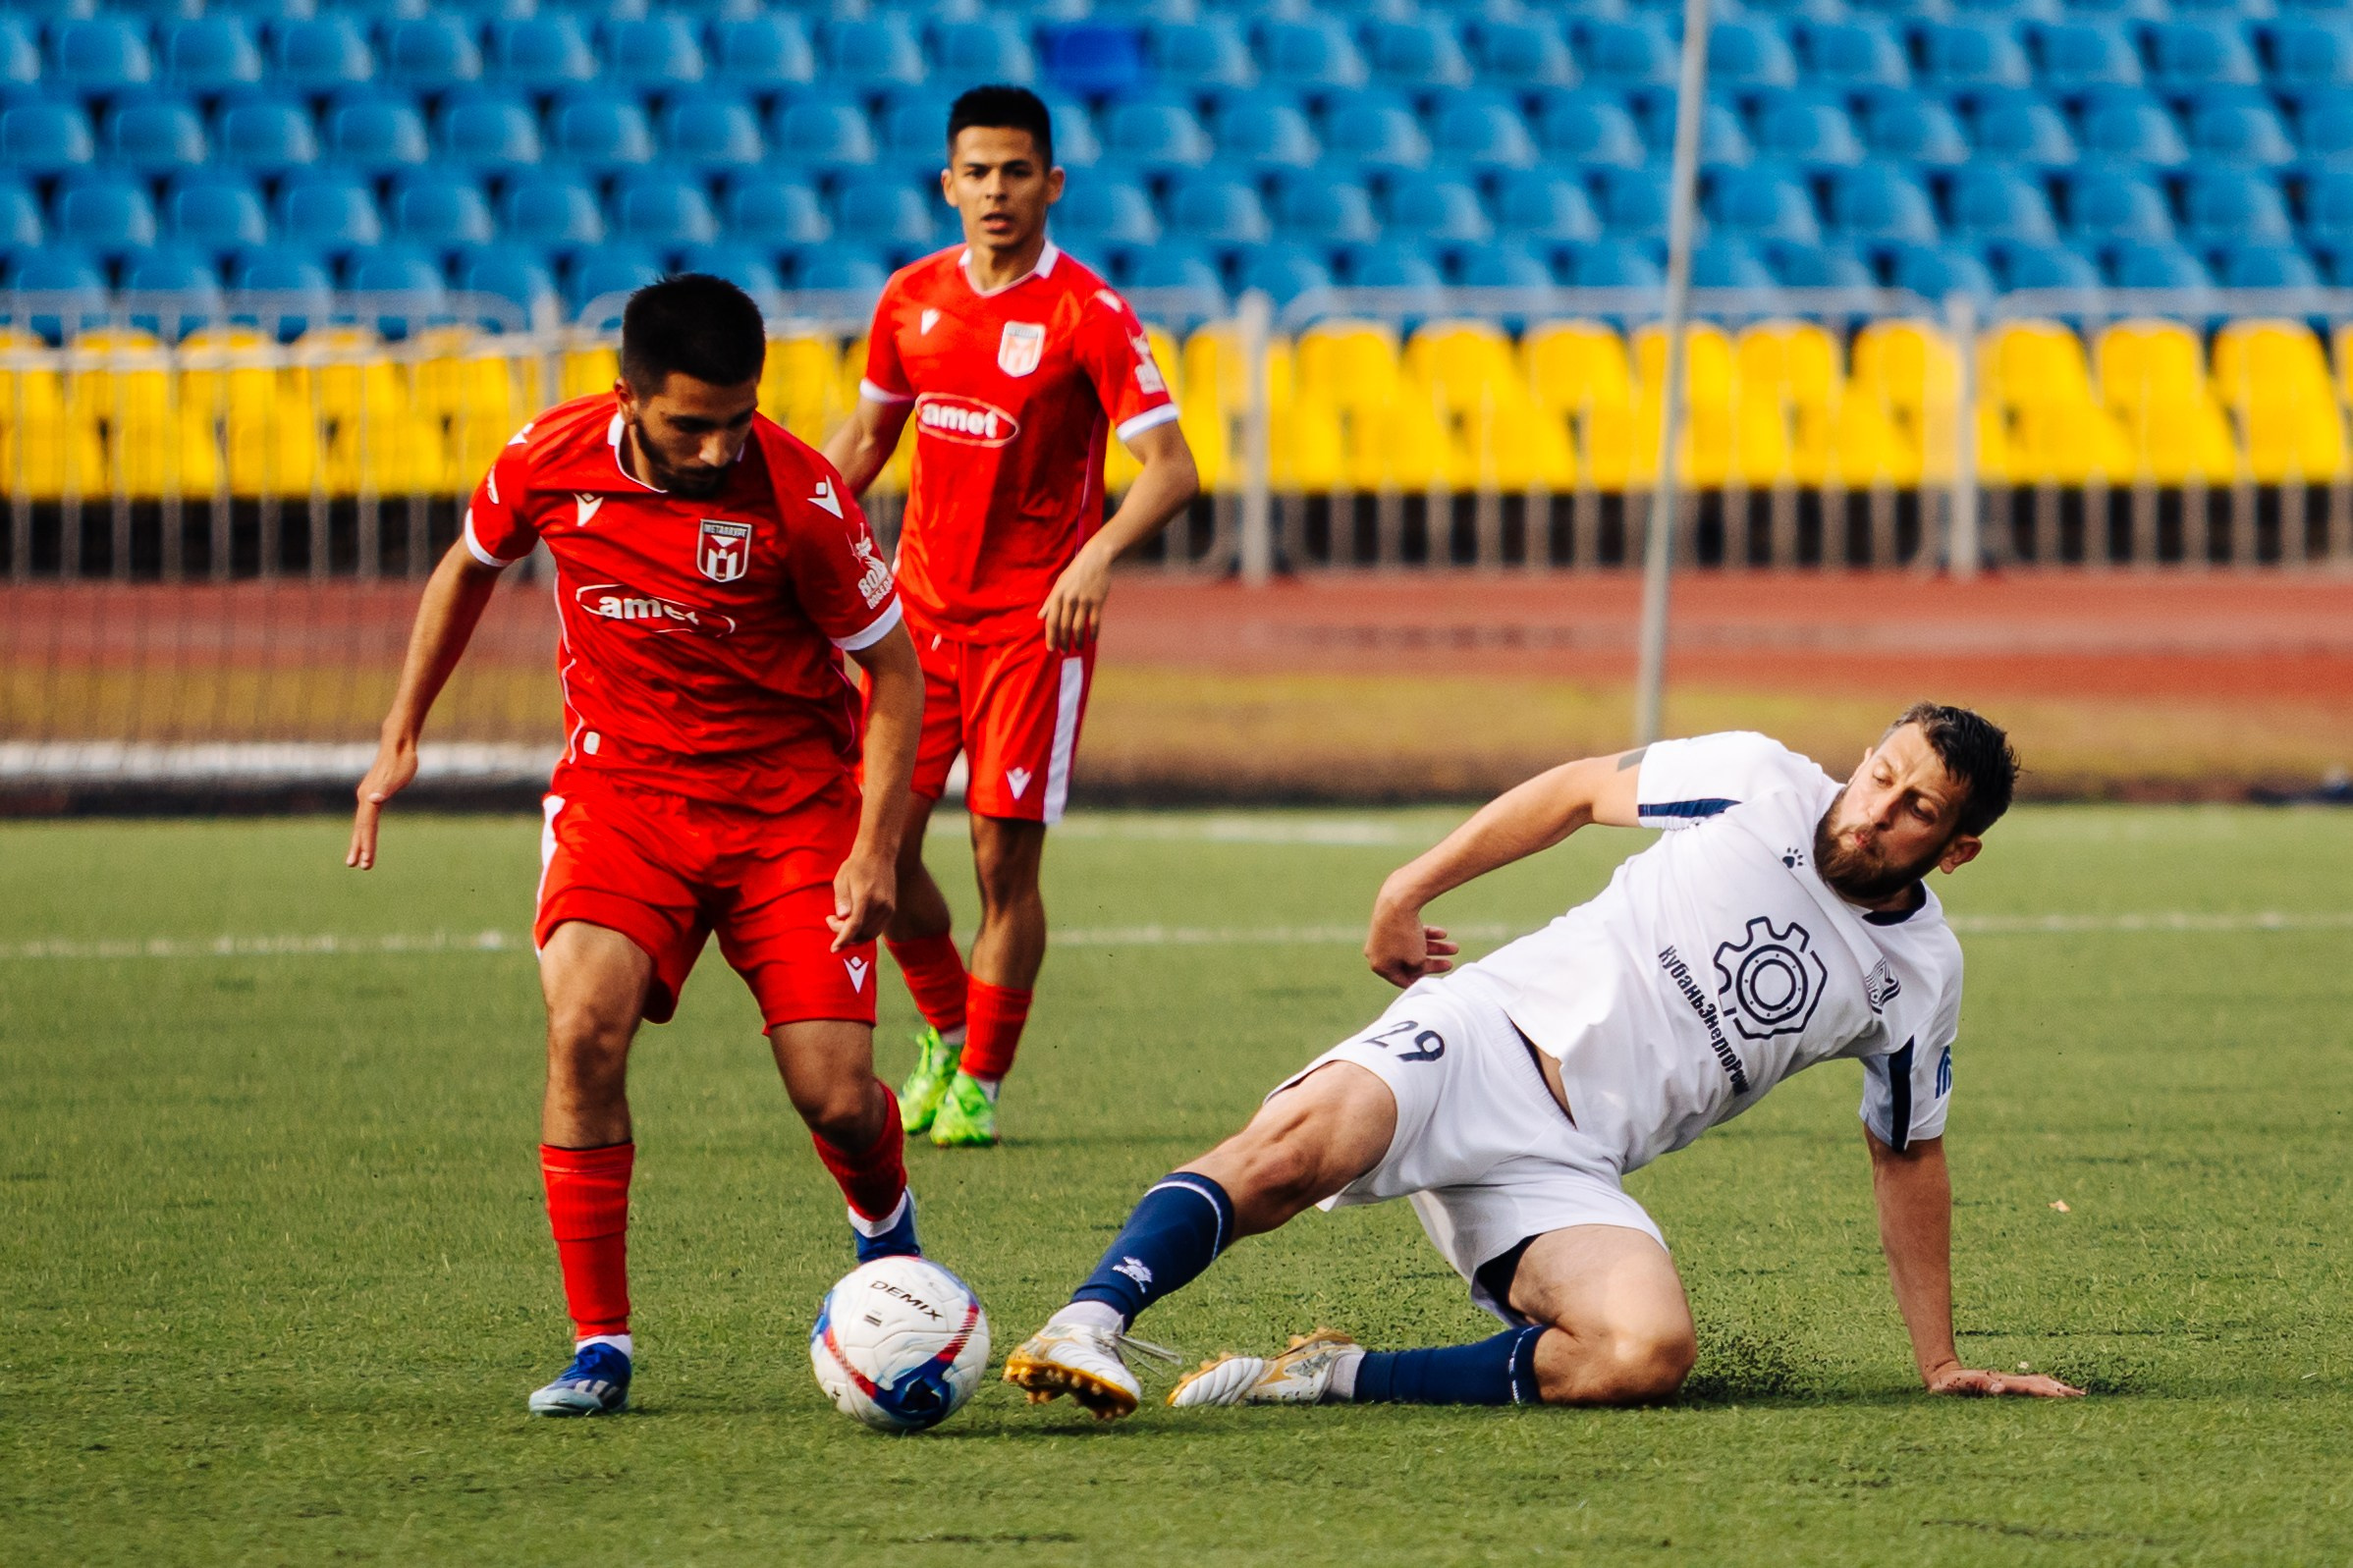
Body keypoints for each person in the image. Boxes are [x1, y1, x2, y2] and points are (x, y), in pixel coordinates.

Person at [1003, 706, 2089, 1416]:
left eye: (1915, 811)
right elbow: (1575, 789)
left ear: (1954, 850)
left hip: (1565, 1166)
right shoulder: (1755, 779)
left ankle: (1318, 1376)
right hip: (1481, 1037)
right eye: (1878, 776)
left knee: (1642, 1351)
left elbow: (1905, 1151)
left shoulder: (1920, 974)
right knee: (1295, 1153)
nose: (1872, 814)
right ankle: (1089, 1319)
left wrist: (1938, 1360)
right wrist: (1407, 887)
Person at [347, 275, 928, 1418]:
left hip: (788, 810)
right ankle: (599, 1344)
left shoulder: (802, 495)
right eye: (688, 425)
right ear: (626, 396)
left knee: (837, 1097)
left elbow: (895, 671)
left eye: (736, 419)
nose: (718, 448)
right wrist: (400, 730)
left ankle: (885, 1240)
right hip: (623, 795)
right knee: (582, 1031)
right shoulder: (546, 458)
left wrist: (872, 849)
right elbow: (466, 565)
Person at [824, 83, 1200, 1150]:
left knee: (1001, 863)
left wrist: (1097, 554)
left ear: (1052, 184)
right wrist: (787, 539)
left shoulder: (1087, 311)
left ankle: (980, 1076)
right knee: (878, 849)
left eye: (1016, 171)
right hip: (914, 626)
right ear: (947, 184)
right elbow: (861, 444)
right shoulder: (909, 301)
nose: (996, 190)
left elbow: (1170, 470)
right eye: (977, 172)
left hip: (1035, 632)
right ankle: (947, 1025)